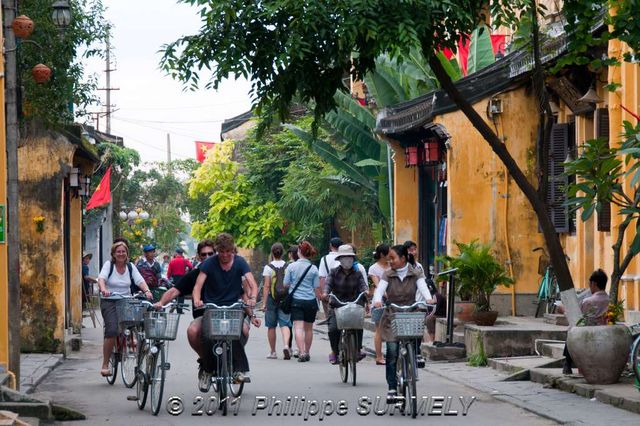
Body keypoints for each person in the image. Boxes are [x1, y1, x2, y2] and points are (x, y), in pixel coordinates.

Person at [192, 233, 260, 388]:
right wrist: (197, 299)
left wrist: (253, 297)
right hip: (212, 308)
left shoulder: (240, 262)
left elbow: (252, 283)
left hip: (233, 308)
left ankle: (240, 370)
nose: (224, 255)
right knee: (207, 336)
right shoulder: (209, 263)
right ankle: (208, 371)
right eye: (221, 251)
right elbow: (198, 286)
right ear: (217, 250)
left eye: (228, 251)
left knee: (237, 333)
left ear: (232, 250)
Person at [372, 244, 434, 401]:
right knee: (392, 352)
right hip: (392, 313)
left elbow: (423, 287)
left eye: (393, 258)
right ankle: (392, 387)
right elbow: (380, 290)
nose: (390, 261)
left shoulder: (416, 273)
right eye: (389, 258)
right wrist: (378, 300)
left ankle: (416, 355)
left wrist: (427, 298)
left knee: (417, 329)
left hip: (410, 311)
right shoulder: (387, 274)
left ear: (403, 258)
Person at [97, 241, 153, 377]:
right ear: (113, 254)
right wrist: (104, 289)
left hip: (126, 300)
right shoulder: (108, 265)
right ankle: (105, 364)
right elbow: (101, 279)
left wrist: (147, 291)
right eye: (118, 252)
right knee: (112, 330)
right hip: (109, 300)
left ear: (127, 254)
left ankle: (132, 343)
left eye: (123, 251)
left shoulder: (130, 267)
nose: (121, 254)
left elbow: (139, 280)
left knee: (137, 323)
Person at [154, 240, 216, 358]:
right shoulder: (194, 275)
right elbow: (174, 291)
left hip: (224, 315)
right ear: (198, 256)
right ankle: (204, 360)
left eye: (210, 254)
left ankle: (237, 367)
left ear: (215, 254)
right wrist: (161, 302)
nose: (207, 257)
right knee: (192, 331)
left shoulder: (225, 271)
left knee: (243, 329)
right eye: (204, 254)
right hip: (203, 316)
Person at [323, 245, 368, 364]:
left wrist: (366, 292)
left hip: (354, 304)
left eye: (350, 257)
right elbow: (328, 284)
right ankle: (334, 351)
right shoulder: (334, 272)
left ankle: (357, 349)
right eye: (344, 257)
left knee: (358, 324)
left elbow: (363, 285)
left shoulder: (357, 273)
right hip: (337, 304)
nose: (347, 259)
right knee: (333, 329)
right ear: (340, 259)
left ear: (353, 259)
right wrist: (325, 293)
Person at [559, 269, 610, 374]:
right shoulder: (609, 300)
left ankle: (567, 363)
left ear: (594, 283)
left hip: (587, 333)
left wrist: (564, 310)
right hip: (605, 332)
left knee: (571, 330)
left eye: (590, 284)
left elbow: (577, 318)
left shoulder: (588, 301)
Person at [284, 241, 321, 362]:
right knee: (309, 329)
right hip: (310, 301)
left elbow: (285, 284)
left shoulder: (291, 267)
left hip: (296, 301)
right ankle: (308, 352)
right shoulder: (314, 268)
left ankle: (301, 352)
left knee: (298, 328)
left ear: (299, 252)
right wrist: (319, 301)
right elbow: (316, 287)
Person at [261, 242, 292, 360]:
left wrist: (264, 303)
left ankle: (273, 352)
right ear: (283, 252)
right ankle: (286, 346)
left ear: (272, 253)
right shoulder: (288, 266)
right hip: (285, 298)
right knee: (285, 324)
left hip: (271, 299)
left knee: (271, 326)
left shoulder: (268, 267)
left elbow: (267, 286)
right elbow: (289, 283)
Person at [368, 243, 390, 364]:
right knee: (379, 328)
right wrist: (387, 294)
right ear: (382, 254)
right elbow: (377, 284)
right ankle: (379, 356)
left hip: (393, 298)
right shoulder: (373, 268)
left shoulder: (392, 266)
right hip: (380, 300)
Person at [317, 237, 344, 325]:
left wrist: (322, 293)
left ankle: (331, 327)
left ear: (330, 246)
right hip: (344, 289)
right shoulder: (345, 258)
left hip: (329, 291)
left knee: (329, 317)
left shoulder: (324, 259)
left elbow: (322, 277)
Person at [167, 247, 193, 313]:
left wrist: (168, 278)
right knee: (181, 294)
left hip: (174, 278)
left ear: (176, 253)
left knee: (174, 292)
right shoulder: (185, 260)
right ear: (182, 254)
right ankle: (180, 310)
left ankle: (174, 304)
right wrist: (188, 273)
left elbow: (169, 272)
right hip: (182, 278)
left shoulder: (172, 261)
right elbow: (191, 267)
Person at [425, 278, 446, 342]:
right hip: (436, 314)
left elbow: (435, 309)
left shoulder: (436, 295)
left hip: (440, 315)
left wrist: (428, 315)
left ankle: (432, 340)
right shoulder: (430, 296)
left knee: (429, 319)